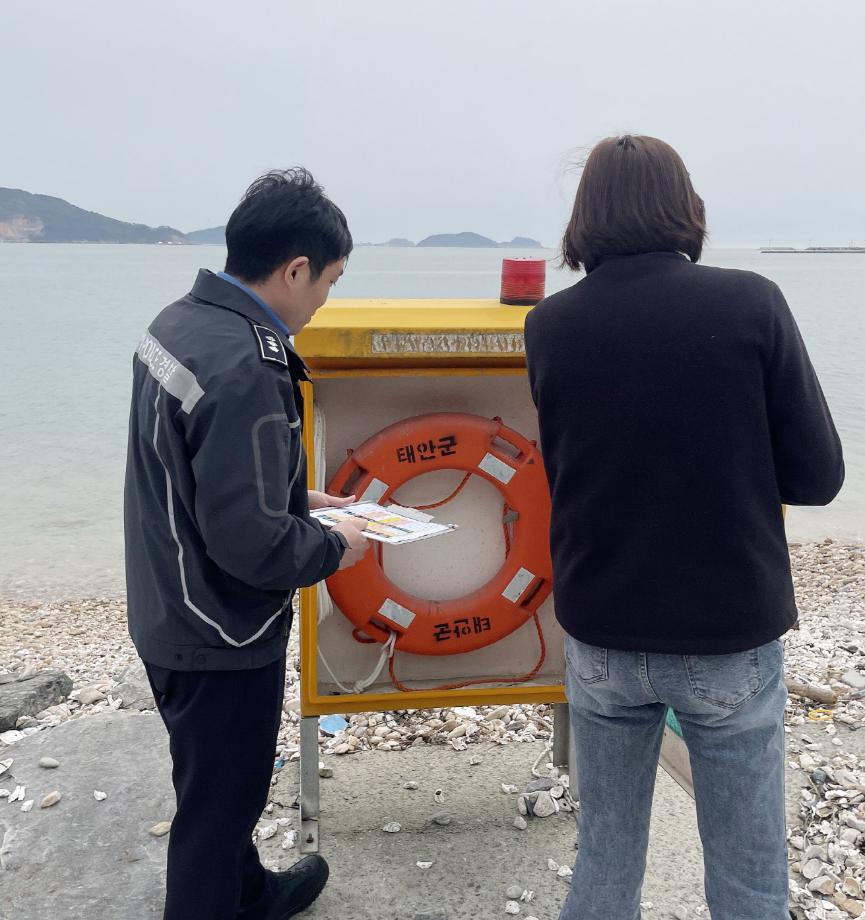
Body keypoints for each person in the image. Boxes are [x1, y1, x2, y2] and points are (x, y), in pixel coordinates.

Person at [524, 135, 844, 920]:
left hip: (600, 633)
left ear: (584, 218)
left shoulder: (549, 326)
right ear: (685, 208)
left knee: (603, 867)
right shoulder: (750, 302)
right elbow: (819, 474)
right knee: (746, 882)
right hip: (726, 633)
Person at [124, 168, 369, 920]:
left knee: (214, 782)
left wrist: (300, 498)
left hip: (165, 603)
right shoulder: (248, 366)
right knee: (218, 809)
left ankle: (251, 895)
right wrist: (338, 547)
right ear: (294, 269)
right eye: (328, 281)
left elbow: (200, 475)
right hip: (218, 631)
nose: (325, 297)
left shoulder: (180, 323)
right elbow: (252, 544)